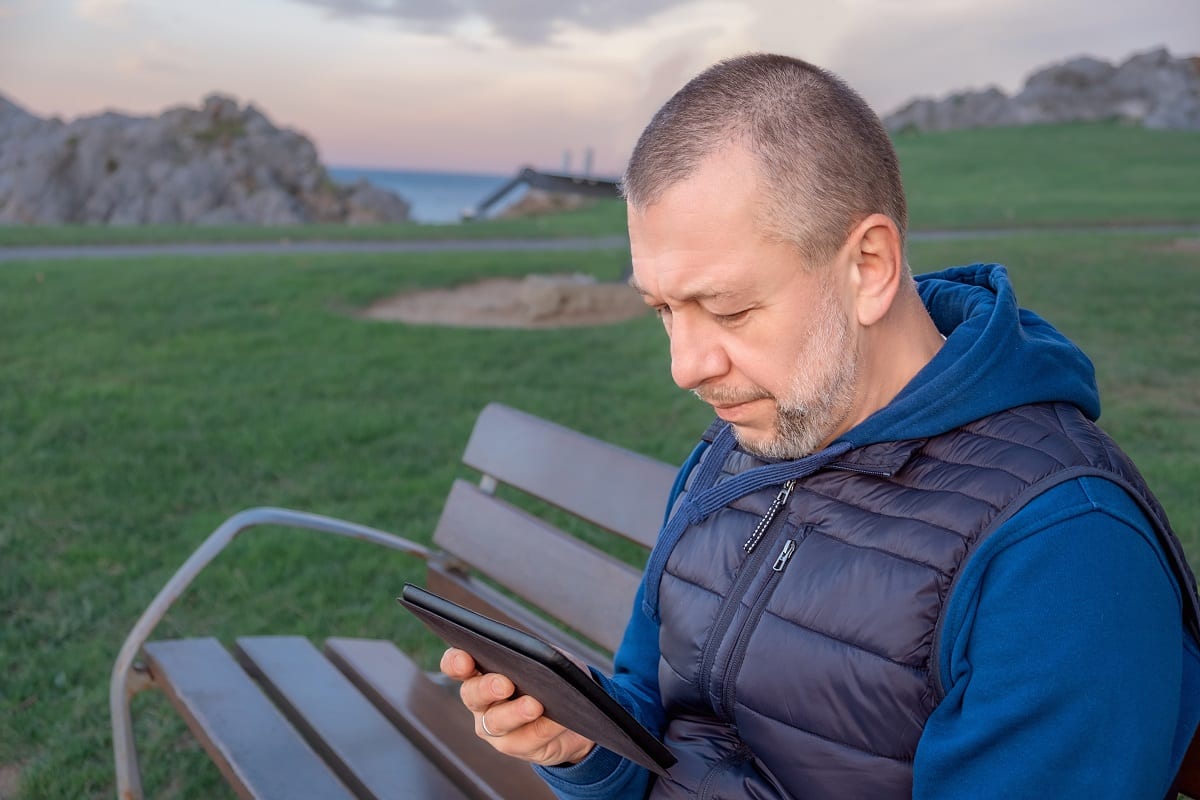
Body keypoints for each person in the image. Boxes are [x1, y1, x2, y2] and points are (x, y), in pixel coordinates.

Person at [441, 53, 1200, 798]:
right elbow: (655, 709)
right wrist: (586, 748)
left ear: (869, 266)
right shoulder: (734, 452)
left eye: (730, 308)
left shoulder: (1064, 552)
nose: (686, 365)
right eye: (664, 310)